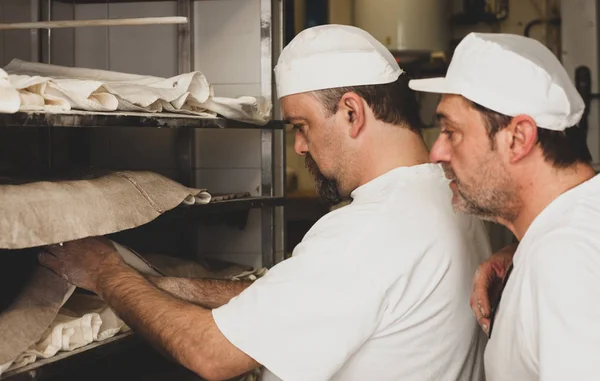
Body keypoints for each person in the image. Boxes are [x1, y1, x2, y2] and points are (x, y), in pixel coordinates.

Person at [38, 25, 491, 381]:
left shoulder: (370, 229)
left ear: (352, 113)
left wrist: (104, 272)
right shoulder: (447, 194)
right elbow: (304, 299)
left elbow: (209, 356)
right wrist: (172, 287)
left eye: (301, 125)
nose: (299, 146)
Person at [409, 32, 600, 381]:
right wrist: (520, 252)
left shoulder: (566, 261)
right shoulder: (569, 233)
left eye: (451, 132)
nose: (437, 152)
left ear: (518, 138)